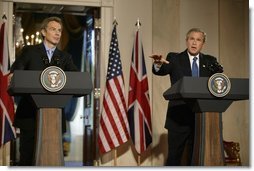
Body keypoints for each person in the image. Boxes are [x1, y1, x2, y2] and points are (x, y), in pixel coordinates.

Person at [9, 16, 78, 166]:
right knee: (27, 158)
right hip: (29, 116)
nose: (57, 33)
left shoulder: (65, 58)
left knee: (52, 160)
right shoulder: (29, 52)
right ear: (43, 32)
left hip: (54, 119)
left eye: (59, 30)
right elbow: (16, 74)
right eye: (53, 29)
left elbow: (76, 80)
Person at [150, 28, 223, 166]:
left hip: (201, 119)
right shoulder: (174, 58)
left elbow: (218, 81)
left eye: (198, 40)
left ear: (203, 43)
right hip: (178, 118)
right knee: (174, 158)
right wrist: (158, 64)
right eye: (192, 39)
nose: (194, 43)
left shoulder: (210, 61)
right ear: (186, 41)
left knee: (195, 160)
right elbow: (161, 70)